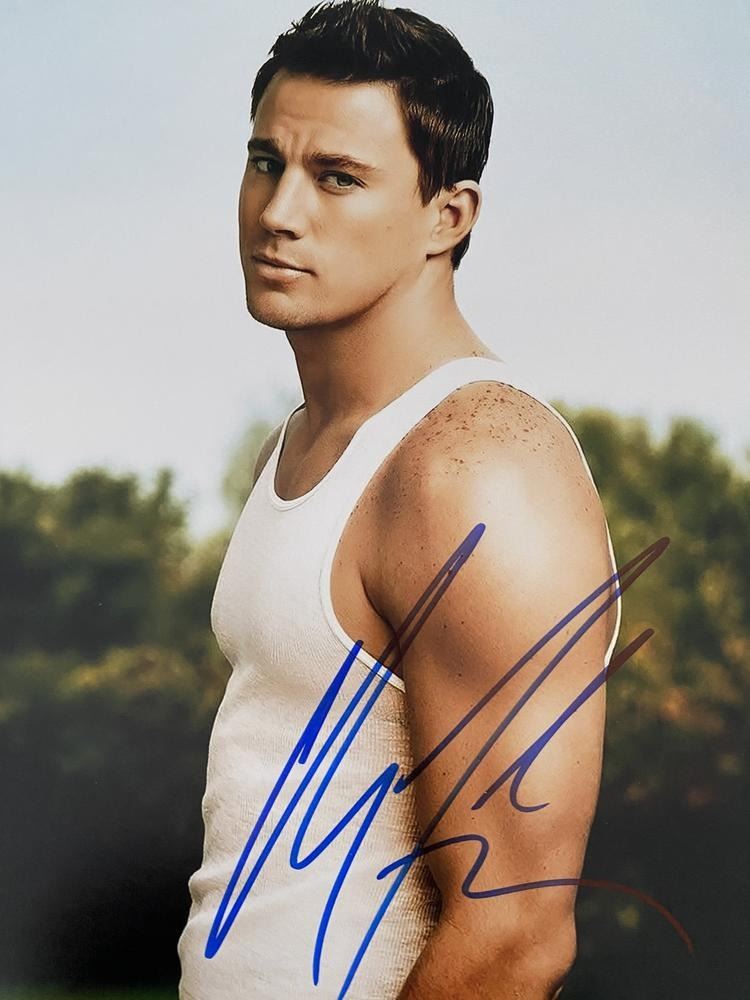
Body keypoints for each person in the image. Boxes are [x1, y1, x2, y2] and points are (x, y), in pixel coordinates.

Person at [177, 1, 622, 997]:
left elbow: (516, 934)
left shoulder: (474, 468)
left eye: (338, 177)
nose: (280, 210)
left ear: (447, 217)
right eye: (265, 163)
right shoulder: (297, 444)